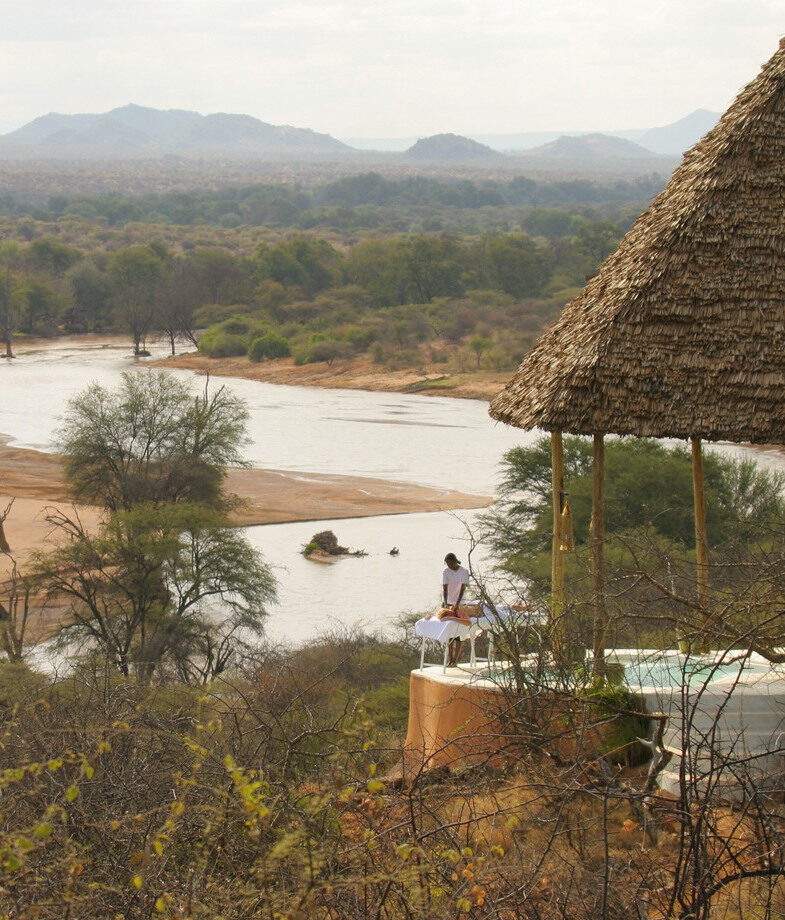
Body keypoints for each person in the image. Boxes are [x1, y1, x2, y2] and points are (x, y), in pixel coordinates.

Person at [442, 552, 469, 666]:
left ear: (454, 561)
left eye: (450, 563)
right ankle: (450, 658)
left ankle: (455, 659)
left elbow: (463, 588)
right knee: (449, 632)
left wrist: (457, 604)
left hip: (461, 603)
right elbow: (445, 588)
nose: (449, 566)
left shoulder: (464, 571)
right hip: (449, 603)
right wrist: (445, 603)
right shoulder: (446, 572)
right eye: (447, 564)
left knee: (459, 633)